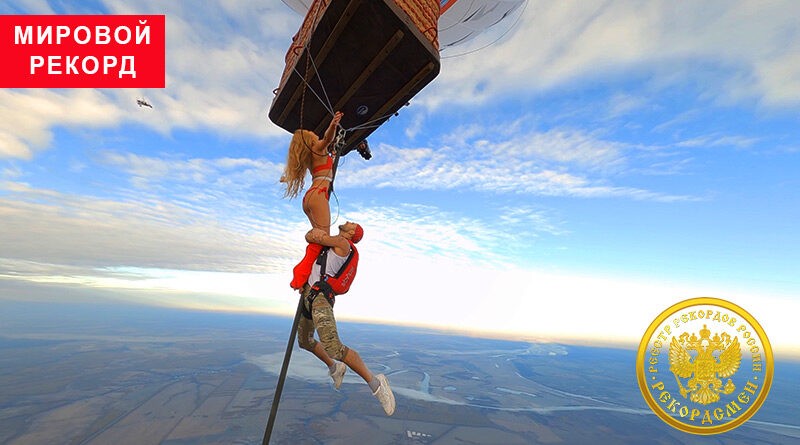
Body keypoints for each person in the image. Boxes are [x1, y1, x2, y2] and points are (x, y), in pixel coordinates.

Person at [293, 221, 396, 416]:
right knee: (305, 342)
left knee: (333, 347)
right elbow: (312, 237)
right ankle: (335, 368)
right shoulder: (335, 243)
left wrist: (317, 235)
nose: (348, 222)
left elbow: (314, 237)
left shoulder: (343, 243)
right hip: (308, 294)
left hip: (320, 297)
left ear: (351, 233)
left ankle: (376, 383)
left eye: (352, 225)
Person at [280, 111, 343, 234]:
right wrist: (333, 125)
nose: (313, 133)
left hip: (311, 196)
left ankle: (311, 243)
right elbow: (327, 139)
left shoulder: (309, 156)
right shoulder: (317, 148)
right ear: (309, 140)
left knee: (319, 235)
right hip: (319, 194)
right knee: (323, 236)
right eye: (310, 133)